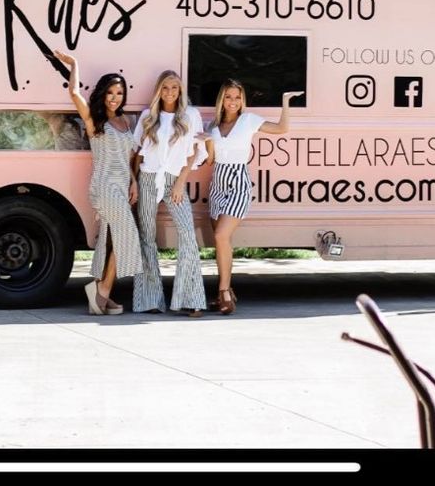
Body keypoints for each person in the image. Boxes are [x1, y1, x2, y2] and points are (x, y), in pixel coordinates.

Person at [53, 50, 142, 315]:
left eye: (120, 93)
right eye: (111, 92)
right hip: (105, 186)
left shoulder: (126, 121)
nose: (115, 98)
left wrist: (134, 182)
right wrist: (74, 65)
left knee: (113, 240)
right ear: (103, 94)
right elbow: (74, 95)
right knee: (128, 236)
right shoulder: (95, 120)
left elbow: (130, 158)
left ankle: (101, 291)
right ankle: (101, 290)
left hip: (123, 184)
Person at [205, 79, 303, 314]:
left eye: (237, 97)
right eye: (228, 97)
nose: (233, 101)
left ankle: (224, 293)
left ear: (242, 100)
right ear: (222, 99)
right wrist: (205, 142)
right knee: (222, 243)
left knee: (220, 235)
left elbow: (281, 129)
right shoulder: (212, 127)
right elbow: (209, 160)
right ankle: (225, 290)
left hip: (239, 181)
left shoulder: (248, 120)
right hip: (218, 182)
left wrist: (285, 103)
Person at [133, 70, 207, 317]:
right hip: (148, 178)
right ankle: (149, 299)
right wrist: (133, 181)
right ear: (158, 91)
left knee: (187, 234)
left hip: (175, 180)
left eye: (174, 88)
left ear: (180, 90)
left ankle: (191, 298)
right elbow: (136, 153)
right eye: (165, 88)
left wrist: (180, 183)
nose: (170, 93)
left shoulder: (190, 116)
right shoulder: (148, 116)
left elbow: (196, 151)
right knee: (146, 236)